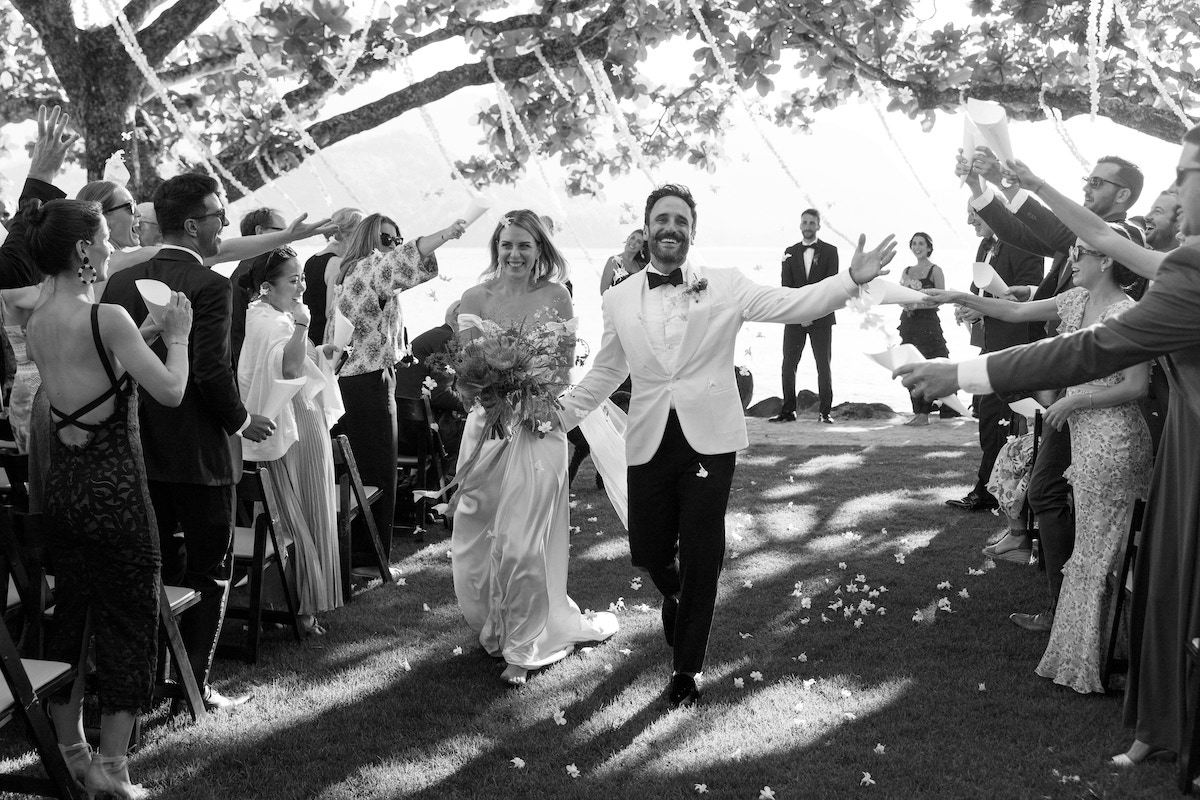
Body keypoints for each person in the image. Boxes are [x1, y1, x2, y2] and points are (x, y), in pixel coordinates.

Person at [896, 121, 1200, 767]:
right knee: (1155, 583)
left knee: (1159, 578)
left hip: (1156, 438)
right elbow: (1068, 242)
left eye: (1184, 176)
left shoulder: (1160, 271)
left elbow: (1097, 350)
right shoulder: (1156, 259)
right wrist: (1019, 182)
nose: (1174, 189)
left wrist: (961, 374)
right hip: (1166, 443)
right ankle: (1150, 717)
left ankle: (1135, 695)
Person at [558, 184, 896, 707]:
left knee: (701, 551)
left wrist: (850, 279)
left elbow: (793, 303)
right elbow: (605, 370)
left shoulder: (726, 285)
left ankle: (686, 671)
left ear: (694, 231)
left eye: (681, 220)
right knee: (649, 552)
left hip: (709, 440)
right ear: (647, 228)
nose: (671, 228)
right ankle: (672, 592)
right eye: (662, 219)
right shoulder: (618, 297)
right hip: (647, 436)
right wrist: (555, 417)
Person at [926, 227, 1152, 693]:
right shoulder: (1073, 301)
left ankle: (1090, 659)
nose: (1071, 259)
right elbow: (1012, 309)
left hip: (1113, 441)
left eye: (1080, 253)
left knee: (1099, 553)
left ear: (1106, 260)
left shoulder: (1129, 312)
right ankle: (1077, 656)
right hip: (1082, 437)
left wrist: (1077, 401)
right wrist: (954, 294)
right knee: (1090, 551)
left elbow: (1136, 385)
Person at [23, 197, 192, 799]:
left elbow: (97, 374)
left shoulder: (38, 314)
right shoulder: (110, 316)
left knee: (73, 614)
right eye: (104, 237)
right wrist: (177, 336)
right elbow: (170, 391)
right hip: (116, 492)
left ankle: (71, 750)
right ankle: (113, 769)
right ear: (83, 250)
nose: (113, 246)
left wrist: (142, 334)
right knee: (127, 620)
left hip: (65, 489)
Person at [102, 173, 275, 713]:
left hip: (138, 448)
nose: (224, 225)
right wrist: (242, 421)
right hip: (199, 451)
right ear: (195, 225)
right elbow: (208, 370)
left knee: (154, 566)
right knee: (209, 568)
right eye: (220, 216)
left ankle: (150, 675)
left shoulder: (120, 282)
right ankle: (194, 686)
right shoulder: (211, 286)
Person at [958, 147, 1144, 633]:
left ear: (1122, 196)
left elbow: (1060, 232)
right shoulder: (1079, 245)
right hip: (1062, 391)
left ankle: (1075, 610)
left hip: (1096, 403)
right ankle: (1064, 603)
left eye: (1098, 183)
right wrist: (983, 189)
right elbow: (1026, 234)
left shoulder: (1122, 238)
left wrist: (1021, 181)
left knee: (1056, 495)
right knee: (1047, 491)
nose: (1087, 187)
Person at [451, 210, 618, 686]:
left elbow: (563, 371)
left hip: (538, 427)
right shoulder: (474, 297)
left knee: (523, 545)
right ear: (495, 249)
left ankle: (523, 649)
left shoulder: (557, 297)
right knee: (475, 542)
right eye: (506, 245)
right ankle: (495, 626)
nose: (514, 254)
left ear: (540, 250)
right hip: (486, 433)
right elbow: (467, 370)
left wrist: (524, 392)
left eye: (524, 245)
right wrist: (490, 391)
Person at [331, 212, 466, 571]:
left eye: (396, 239)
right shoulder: (370, 269)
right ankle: (367, 559)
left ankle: (358, 555)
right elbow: (409, 259)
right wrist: (445, 233)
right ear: (369, 240)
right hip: (367, 384)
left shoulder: (352, 273)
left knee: (365, 471)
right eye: (387, 239)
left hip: (357, 379)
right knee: (377, 472)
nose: (393, 246)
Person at [238, 247, 343, 636]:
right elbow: (289, 366)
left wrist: (317, 351)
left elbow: (292, 362)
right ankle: (304, 607)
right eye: (293, 279)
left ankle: (287, 602)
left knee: (287, 510)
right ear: (266, 287)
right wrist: (303, 327)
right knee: (307, 510)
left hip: (286, 419)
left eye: (302, 277)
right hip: (295, 421)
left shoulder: (257, 316)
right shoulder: (278, 322)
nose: (301, 286)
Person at [945, 206, 1044, 518]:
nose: (969, 220)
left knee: (1000, 419)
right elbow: (980, 290)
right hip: (991, 345)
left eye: (975, 214)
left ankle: (992, 492)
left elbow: (1031, 295)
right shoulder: (985, 245)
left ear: (994, 213)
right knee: (988, 418)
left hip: (1015, 348)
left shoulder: (1024, 242)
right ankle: (992, 489)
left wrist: (983, 309)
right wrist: (967, 305)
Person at [771, 208, 839, 424]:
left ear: (818, 225)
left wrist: (813, 313)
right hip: (795, 318)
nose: (808, 226)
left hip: (822, 318)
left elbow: (831, 287)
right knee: (788, 364)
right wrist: (800, 314)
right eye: (804, 223)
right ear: (800, 225)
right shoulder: (789, 251)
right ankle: (788, 410)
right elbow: (786, 288)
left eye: (812, 223)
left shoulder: (830, 251)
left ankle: (824, 412)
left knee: (823, 365)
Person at [896, 232, 948, 426]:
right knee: (909, 367)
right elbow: (900, 295)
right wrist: (904, 303)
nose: (917, 247)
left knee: (927, 366)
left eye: (921, 244)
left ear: (928, 247)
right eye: (914, 244)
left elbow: (940, 300)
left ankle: (925, 413)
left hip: (928, 325)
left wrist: (917, 304)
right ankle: (917, 411)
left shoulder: (935, 270)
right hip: (909, 324)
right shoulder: (907, 270)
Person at [229, 208, 289, 368]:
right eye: (283, 231)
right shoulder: (253, 274)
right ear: (260, 231)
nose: (289, 238)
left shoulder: (246, 268)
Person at [302, 207, 362, 347]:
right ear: (351, 234)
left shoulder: (312, 260)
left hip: (309, 335)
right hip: (324, 341)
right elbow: (332, 312)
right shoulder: (337, 264)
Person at [599, 229, 649, 293]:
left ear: (642, 247)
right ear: (628, 239)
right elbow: (603, 292)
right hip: (616, 302)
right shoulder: (613, 261)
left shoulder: (642, 266)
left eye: (638, 242)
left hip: (635, 302)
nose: (633, 243)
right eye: (632, 238)